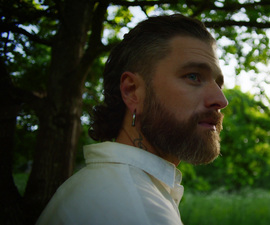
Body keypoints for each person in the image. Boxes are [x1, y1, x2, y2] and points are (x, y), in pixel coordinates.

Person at [36, 14, 228, 225]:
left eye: (218, 84)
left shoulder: (94, 185)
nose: (220, 100)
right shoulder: (138, 209)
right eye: (193, 76)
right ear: (132, 91)